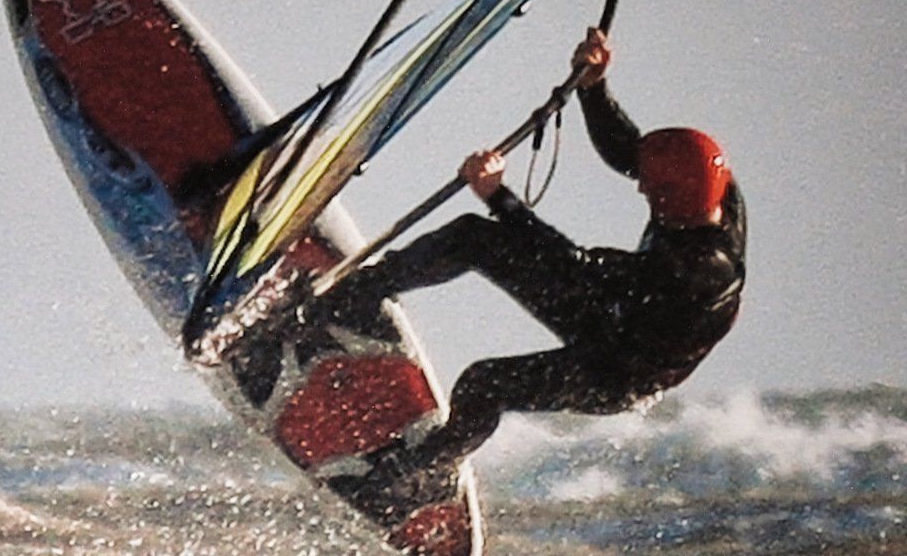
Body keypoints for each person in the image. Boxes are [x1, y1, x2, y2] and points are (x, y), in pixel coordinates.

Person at [317, 27, 746, 488]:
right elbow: (627, 152)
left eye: (650, 187)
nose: (640, 186)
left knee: (485, 383)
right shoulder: (711, 191)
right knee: (474, 237)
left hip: (616, 372)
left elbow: (574, 266)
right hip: (609, 312)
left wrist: (500, 197)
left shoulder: (696, 270)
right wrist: (594, 88)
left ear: (669, 198)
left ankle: (418, 472)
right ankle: (348, 298)